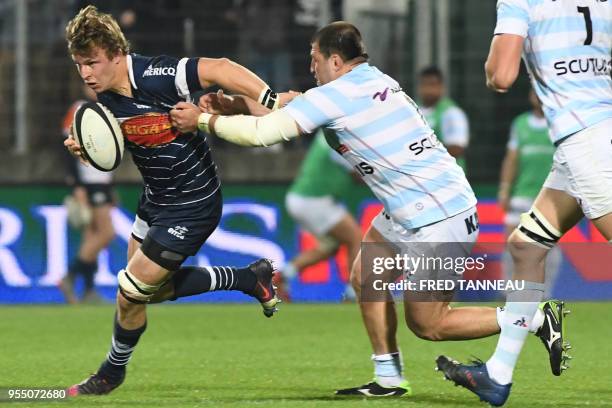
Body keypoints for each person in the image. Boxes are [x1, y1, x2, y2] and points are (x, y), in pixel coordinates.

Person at [170, 21, 561, 398]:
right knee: (366, 276)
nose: (311, 66)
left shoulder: (339, 95)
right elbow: (290, 108)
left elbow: (264, 134)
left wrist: (204, 120)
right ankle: (388, 376)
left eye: (314, 57)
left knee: (429, 324)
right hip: (409, 209)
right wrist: (234, 104)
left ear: (335, 61)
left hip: (439, 216)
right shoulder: (368, 80)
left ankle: (533, 318)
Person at [63, 5, 289, 396]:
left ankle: (110, 374)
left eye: (92, 62)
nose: (85, 73)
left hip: (193, 203)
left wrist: (267, 99)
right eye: (79, 64)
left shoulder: (153, 74)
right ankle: (249, 278)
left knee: (131, 289)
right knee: (141, 296)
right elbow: (108, 149)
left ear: (116, 54)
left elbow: (219, 67)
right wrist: (86, 148)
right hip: (155, 200)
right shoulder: (103, 105)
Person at [435, 0, 612, 405]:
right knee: (526, 246)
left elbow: (501, 75)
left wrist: (494, 57)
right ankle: (497, 374)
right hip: (591, 136)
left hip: (587, 142)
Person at [281, 129, 362, 301]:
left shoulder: (329, 130)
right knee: (355, 238)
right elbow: (358, 174)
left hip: (303, 198)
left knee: (329, 247)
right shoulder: (340, 137)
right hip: (314, 200)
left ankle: (283, 275)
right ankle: (353, 293)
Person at [498, 89, 559, 297]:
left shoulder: (559, 122)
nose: (538, 97)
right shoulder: (520, 123)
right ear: (530, 96)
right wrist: (505, 188)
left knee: (548, 246)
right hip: (521, 193)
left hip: (549, 195)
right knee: (512, 243)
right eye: (534, 93)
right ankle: (510, 291)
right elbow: (511, 158)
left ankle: (545, 292)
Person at [59, 85, 116, 304]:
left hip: (101, 181)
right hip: (89, 182)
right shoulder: (79, 108)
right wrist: (76, 185)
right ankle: (70, 276)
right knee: (105, 233)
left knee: (92, 237)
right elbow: (64, 147)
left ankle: (89, 289)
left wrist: (110, 187)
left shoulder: (104, 108)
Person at [418, 66, 470, 170]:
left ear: (441, 87)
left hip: (447, 177)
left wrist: (422, 159)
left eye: (432, 85)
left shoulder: (451, 112)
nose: (428, 89)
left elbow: (456, 149)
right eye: (424, 84)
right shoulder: (413, 109)